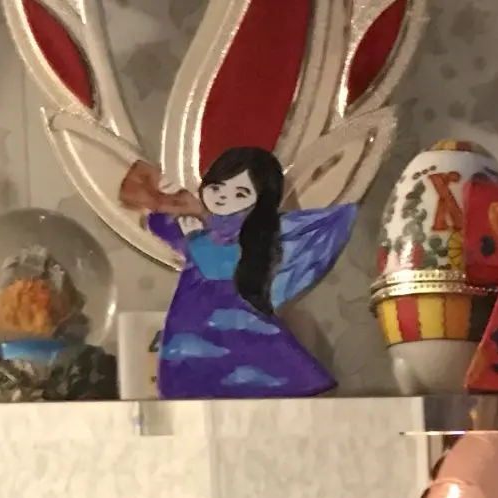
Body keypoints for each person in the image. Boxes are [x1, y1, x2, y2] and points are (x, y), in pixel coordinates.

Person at [118, 146, 356, 397]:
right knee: (191, 368)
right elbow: (161, 223)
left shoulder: (254, 232)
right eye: (216, 187)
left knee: (254, 362)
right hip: (192, 316)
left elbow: (217, 267)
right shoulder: (198, 218)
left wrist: (195, 236)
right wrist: (166, 200)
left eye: (240, 193)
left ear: (260, 199)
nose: (223, 197)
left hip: (238, 314)